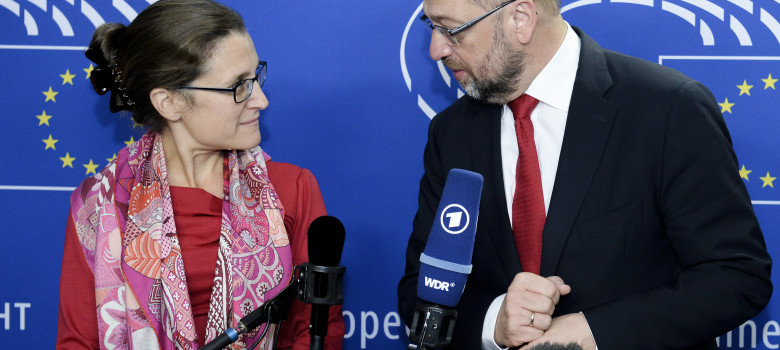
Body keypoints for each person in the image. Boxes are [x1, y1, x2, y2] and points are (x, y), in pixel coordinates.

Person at [397, 0, 773, 349]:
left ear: (521, 19)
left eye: (451, 29)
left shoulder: (667, 108)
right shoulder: (452, 132)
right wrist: (495, 322)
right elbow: (421, 290)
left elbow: (736, 277)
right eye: (431, 26)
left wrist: (594, 333)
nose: (436, 49)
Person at [56, 1, 344, 349]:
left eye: (257, 76)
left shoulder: (291, 188)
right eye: (239, 85)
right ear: (170, 102)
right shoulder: (100, 205)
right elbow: (78, 341)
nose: (262, 100)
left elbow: (316, 331)